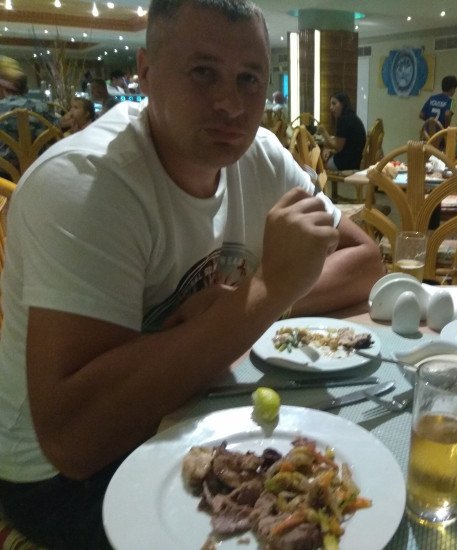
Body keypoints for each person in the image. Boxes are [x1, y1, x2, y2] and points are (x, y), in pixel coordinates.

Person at [0, 1, 384, 548]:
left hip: (188, 411)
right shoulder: (87, 184)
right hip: (58, 483)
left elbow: (365, 261)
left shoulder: (262, 157)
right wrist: (265, 290)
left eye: (249, 78)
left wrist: (244, 306)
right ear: (146, 72)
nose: (231, 103)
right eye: (203, 71)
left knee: (346, 480)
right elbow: (75, 440)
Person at [0, 56, 54, 180]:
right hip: (38, 171)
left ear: (2, 88)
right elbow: (54, 135)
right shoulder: (41, 106)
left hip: (4, 176)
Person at [317, 91, 366, 171]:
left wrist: (324, 132)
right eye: (330, 104)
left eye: (334, 104)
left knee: (320, 163)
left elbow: (338, 147)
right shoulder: (352, 117)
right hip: (357, 159)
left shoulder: (344, 120)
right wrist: (327, 147)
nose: (331, 107)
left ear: (343, 104)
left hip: (349, 163)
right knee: (326, 155)